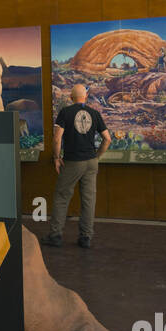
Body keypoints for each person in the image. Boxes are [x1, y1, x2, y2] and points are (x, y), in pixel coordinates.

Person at [46, 83, 111, 248]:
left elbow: (56, 138)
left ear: (70, 97)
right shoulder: (95, 113)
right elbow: (107, 139)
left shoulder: (65, 113)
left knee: (62, 197)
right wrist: (97, 156)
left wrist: (56, 157)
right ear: (86, 97)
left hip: (73, 162)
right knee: (89, 200)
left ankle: (55, 236)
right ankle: (86, 238)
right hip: (91, 162)